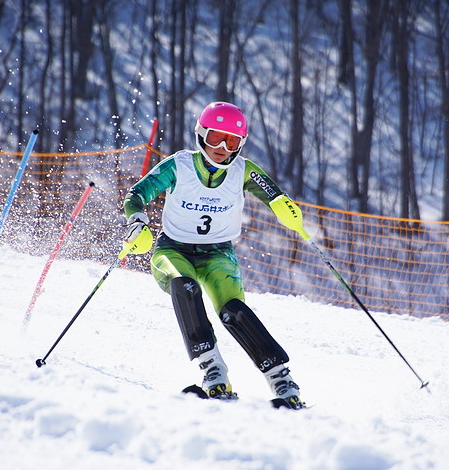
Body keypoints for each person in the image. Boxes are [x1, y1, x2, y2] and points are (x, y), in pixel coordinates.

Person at [121, 101, 310, 409]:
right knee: (185, 287)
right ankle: (213, 370)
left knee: (233, 310)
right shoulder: (179, 165)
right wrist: (137, 220)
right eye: (215, 138)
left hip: (218, 254)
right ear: (201, 135)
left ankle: (281, 379)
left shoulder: (243, 171)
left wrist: (285, 209)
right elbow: (137, 194)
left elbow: (274, 195)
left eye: (232, 141)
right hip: (173, 249)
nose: (222, 147)